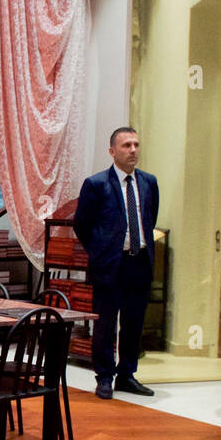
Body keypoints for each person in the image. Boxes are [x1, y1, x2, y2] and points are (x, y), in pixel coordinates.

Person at [72, 126, 158, 400]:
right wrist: (100, 252)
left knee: (133, 323)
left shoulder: (149, 182)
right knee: (106, 323)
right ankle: (105, 376)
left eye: (136, 144)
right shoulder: (96, 184)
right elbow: (82, 225)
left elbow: (149, 218)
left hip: (140, 262)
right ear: (112, 151)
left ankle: (127, 375)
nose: (133, 150)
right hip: (110, 265)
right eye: (126, 146)